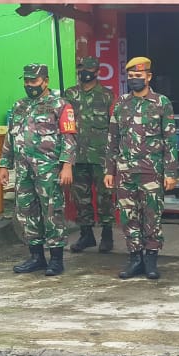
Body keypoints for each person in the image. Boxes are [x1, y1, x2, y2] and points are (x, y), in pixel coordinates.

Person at [0, 64, 77, 276]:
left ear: (45, 81)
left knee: (52, 212)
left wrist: (67, 165)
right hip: (23, 169)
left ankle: (56, 259)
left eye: (34, 81)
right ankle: (36, 257)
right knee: (27, 211)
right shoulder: (19, 106)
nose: (29, 85)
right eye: (26, 81)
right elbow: (10, 137)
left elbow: (69, 138)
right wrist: (4, 164)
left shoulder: (60, 105)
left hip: (49, 169)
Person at [104, 56, 177, 280]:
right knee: (128, 216)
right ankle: (135, 258)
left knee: (152, 216)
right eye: (131, 76)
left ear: (148, 77)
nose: (134, 79)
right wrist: (109, 170)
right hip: (125, 172)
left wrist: (170, 173)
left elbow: (170, 140)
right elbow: (113, 138)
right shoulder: (121, 103)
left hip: (151, 172)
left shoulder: (161, 103)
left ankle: (151, 259)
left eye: (139, 75)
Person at [64, 57, 116, 254]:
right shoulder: (70, 94)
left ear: (97, 72)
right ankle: (86, 235)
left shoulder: (107, 96)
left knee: (105, 197)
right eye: (81, 69)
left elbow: (114, 128)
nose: (84, 72)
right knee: (80, 198)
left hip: (100, 156)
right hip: (77, 155)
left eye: (89, 69)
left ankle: (107, 235)